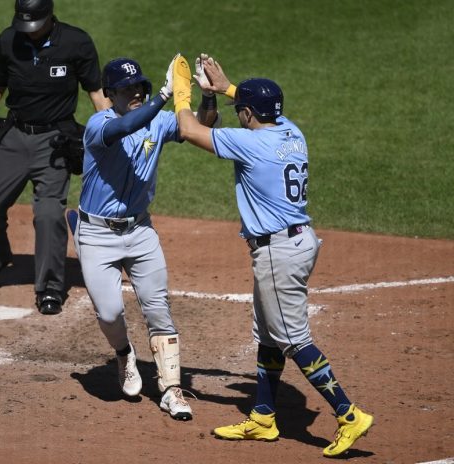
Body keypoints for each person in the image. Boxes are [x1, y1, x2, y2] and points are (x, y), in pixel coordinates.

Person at [173, 54, 373, 456]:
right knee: (267, 334)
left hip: (278, 252)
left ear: (247, 114)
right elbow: (256, 110)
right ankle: (263, 417)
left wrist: (182, 89)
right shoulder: (291, 132)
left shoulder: (249, 143)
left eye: (239, 109)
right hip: (296, 242)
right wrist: (227, 87)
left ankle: (348, 414)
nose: (237, 113)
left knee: (292, 338)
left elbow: (190, 129)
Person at [74, 56, 217, 420]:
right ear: (110, 94)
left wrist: (208, 96)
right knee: (108, 313)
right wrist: (166, 95)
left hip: (139, 231)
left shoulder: (158, 120)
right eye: (126, 88)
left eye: (140, 86)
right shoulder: (99, 124)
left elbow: (200, 126)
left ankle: (171, 391)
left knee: (158, 310)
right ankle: (124, 355)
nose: (136, 92)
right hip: (96, 234)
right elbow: (125, 127)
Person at [0, 0, 110, 315]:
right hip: (15, 136)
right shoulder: (8, 40)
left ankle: (50, 288)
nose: (29, 33)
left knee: (48, 214)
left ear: (49, 17)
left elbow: (96, 92)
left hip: (55, 141)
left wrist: (111, 132)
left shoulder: (77, 42)